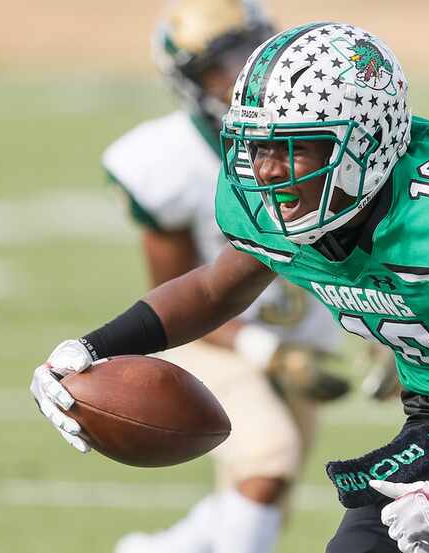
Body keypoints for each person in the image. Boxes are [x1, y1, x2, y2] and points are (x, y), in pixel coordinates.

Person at [31, 21, 429, 553]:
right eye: (255, 148)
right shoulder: (273, 202)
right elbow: (214, 291)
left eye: (295, 148)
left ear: (369, 143)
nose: (266, 173)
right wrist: (88, 350)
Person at [99, 4, 356, 553]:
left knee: (263, 496)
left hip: (295, 336)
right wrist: (268, 351)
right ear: (189, 81)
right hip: (212, 342)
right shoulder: (168, 161)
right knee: (268, 459)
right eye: (222, 60)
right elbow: (179, 300)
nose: (244, 71)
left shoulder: (322, 132)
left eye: (252, 47)